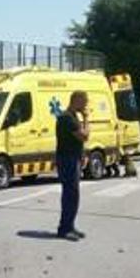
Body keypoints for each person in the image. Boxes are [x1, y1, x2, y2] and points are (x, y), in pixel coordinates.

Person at [55, 91, 89, 241]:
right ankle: (64, 229)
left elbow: (78, 141)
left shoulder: (73, 116)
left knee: (74, 195)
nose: (86, 105)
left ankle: (70, 226)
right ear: (76, 100)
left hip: (73, 158)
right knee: (70, 194)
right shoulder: (66, 118)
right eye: (84, 102)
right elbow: (84, 136)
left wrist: (82, 155)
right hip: (67, 159)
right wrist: (87, 119)